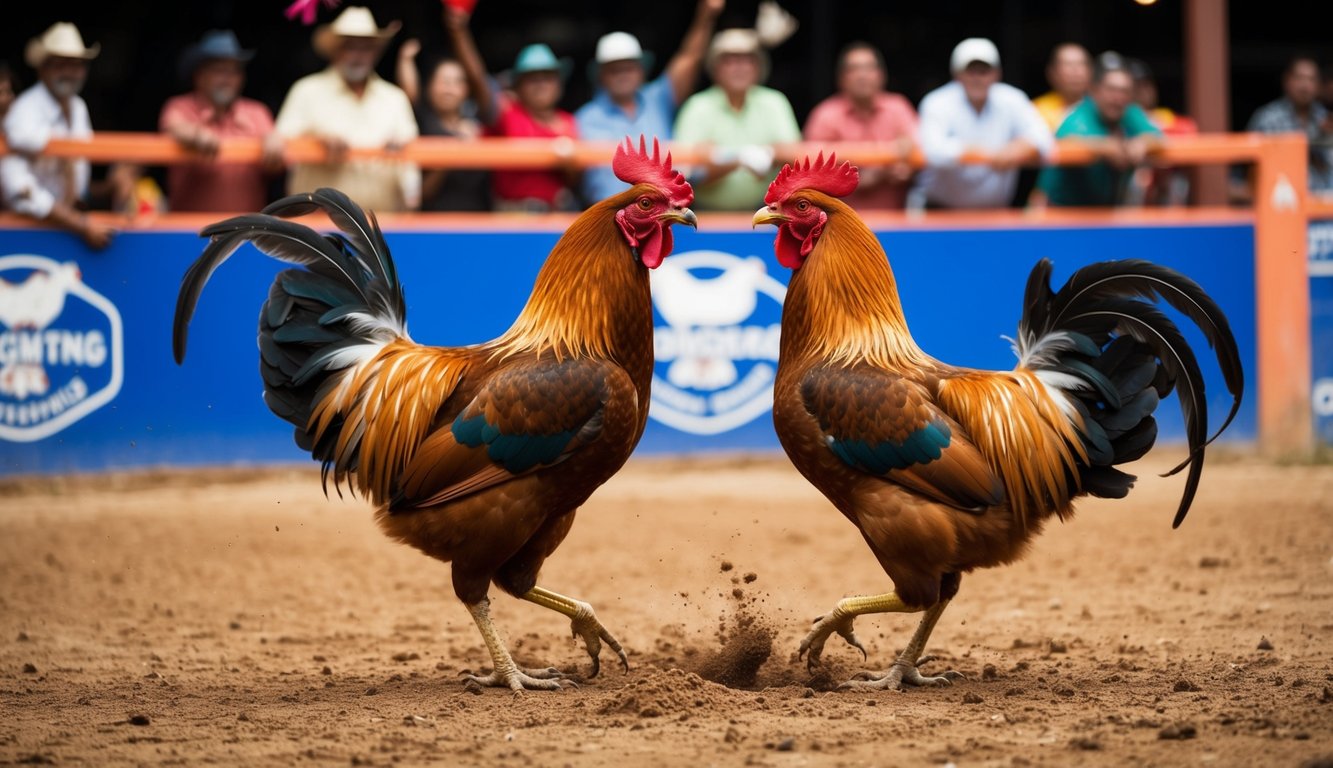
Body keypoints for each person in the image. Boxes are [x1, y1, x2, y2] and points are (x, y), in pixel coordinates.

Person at [574, 0, 725, 203]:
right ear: (601, 76)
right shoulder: (584, 118)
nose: (623, 75)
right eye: (614, 70)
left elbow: (690, 57)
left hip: (663, 214)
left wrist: (706, 16)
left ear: (641, 71)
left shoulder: (658, 99)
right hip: (609, 219)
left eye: (629, 67)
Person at [273, 6, 420, 212]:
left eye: (366, 48)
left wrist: (413, 208)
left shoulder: (394, 98)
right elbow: (277, 150)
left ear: (376, 53)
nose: (358, 55)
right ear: (335, 51)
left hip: (385, 228)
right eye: (350, 47)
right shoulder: (306, 91)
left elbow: (411, 164)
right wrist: (317, 140)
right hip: (318, 232)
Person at [446, 8, 580, 212]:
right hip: (514, 219)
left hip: (558, 218)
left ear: (559, 84)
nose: (541, 84)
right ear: (518, 88)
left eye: (548, 77)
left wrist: (569, 166)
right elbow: (478, 81)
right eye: (532, 79)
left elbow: (575, 181)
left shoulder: (569, 122)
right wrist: (459, 31)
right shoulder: (507, 113)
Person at [0, 22, 115, 249]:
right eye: (61, 64)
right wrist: (80, 224)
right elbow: (19, 188)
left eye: (77, 65)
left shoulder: (78, 106)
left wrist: (114, 185)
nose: (70, 72)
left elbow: (76, 174)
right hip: (31, 231)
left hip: (69, 225)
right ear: (42, 68)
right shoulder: (24, 112)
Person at [912, 37, 1053, 209]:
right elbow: (934, 150)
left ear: (997, 74)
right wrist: (983, 153)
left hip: (995, 214)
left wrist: (1019, 147)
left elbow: (1045, 141)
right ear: (957, 75)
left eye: (984, 71)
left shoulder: (1012, 98)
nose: (977, 78)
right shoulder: (937, 102)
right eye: (971, 71)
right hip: (940, 213)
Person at [673, 28, 801, 211]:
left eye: (747, 60)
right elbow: (686, 174)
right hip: (706, 217)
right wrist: (739, 159)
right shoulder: (697, 106)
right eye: (729, 61)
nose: (739, 67)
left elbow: (794, 156)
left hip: (767, 214)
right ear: (715, 68)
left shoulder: (774, 102)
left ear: (758, 67)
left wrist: (764, 153)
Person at [159, 30, 281, 212]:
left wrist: (275, 143)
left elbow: (275, 151)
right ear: (199, 76)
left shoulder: (257, 112)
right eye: (219, 71)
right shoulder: (179, 106)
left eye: (234, 72)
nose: (227, 79)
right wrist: (196, 135)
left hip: (247, 232)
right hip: (190, 233)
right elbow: (174, 126)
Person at [1038, 52, 1163, 207]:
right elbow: (1064, 141)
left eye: (1124, 91)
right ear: (1094, 91)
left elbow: (1157, 135)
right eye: (1111, 89)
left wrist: (1142, 143)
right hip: (1063, 212)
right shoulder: (1080, 115)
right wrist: (1105, 147)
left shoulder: (1129, 111)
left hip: (1106, 212)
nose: (1118, 97)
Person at [803, 41, 918, 209]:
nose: (862, 75)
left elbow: (918, 150)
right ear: (841, 78)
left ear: (881, 75)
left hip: (896, 223)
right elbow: (812, 175)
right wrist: (873, 175)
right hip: (837, 225)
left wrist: (907, 169)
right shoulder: (825, 115)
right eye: (854, 69)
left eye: (869, 68)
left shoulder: (898, 107)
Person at [396, 34, 489, 211]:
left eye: (457, 82)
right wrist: (405, 59)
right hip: (435, 222)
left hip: (479, 219)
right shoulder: (421, 123)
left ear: (466, 90)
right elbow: (409, 95)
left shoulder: (477, 124)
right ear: (429, 88)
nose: (450, 89)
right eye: (444, 82)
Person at [1243, 55, 1332, 196]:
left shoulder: (1325, 118)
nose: (1305, 86)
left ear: (1318, 85)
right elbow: (1251, 169)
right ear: (1287, 81)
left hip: (1325, 205)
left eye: (1311, 79)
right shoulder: (1268, 119)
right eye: (1299, 78)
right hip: (1283, 203)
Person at [1127, 57, 1196, 206]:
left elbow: (1188, 132)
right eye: (1135, 87)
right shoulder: (1121, 119)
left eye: (1145, 85)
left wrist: (1147, 142)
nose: (1141, 92)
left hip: (1165, 191)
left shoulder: (1166, 117)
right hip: (1134, 191)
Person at [1032, 43, 1092, 131]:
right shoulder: (1036, 110)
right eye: (1068, 65)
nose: (1076, 72)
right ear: (1052, 73)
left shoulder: (1102, 109)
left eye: (1081, 64)